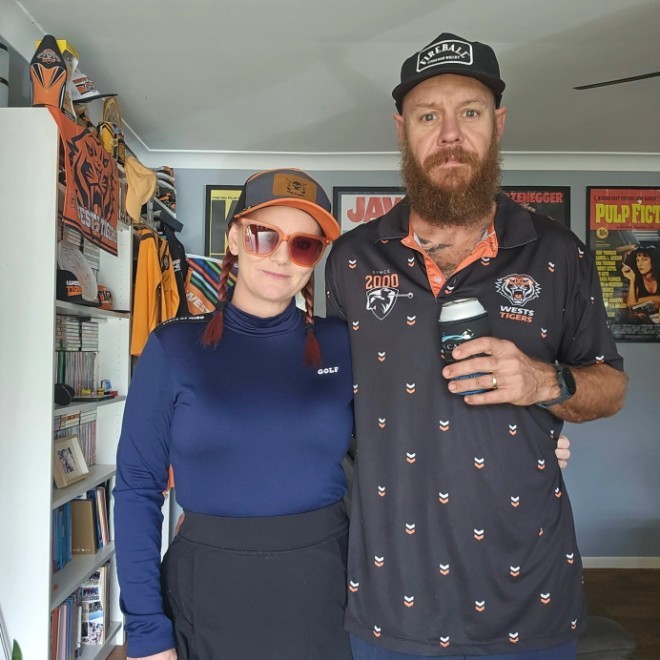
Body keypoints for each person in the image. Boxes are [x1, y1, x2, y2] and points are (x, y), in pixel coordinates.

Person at [325, 32, 628, 659]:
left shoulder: (559, 252)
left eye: (470, 112)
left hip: (528, 589)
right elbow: (330, 401)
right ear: (402, 130)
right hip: (389, 592)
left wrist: (545, 383)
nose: (450, 134)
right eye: (427, 116)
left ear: (498, 123)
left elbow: (611, 387)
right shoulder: (352, 259)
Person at [114, 168, 354, 660]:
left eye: (304, 245)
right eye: (264, 236)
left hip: (327, 590)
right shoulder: (173, 348)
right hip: (207, 592)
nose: (282, 256)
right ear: (235, 238)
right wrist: (146, 630)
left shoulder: (344, 344)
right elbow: (137, 487)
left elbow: (403, 443)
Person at [621, 245, 660, 310]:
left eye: (644, 260)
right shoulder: (637, 279)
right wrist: (632, 280)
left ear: (654, 261)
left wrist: (638, 301)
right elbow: (630, 305)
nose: (640, 264)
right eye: (638, 260)